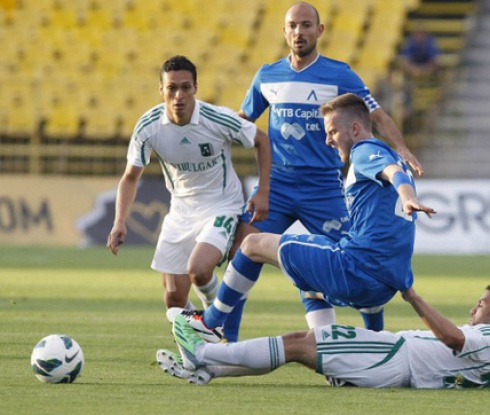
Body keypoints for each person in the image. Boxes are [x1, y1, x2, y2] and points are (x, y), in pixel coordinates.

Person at [221, 1, 424, 338]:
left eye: (306, 25)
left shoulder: (340, 75)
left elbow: (376, 116)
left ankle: (374, 338)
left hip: (325, 190)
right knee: (245, 249)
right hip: (277, 187)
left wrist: (400, 148)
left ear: (320, 30)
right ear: (284, 31)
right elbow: (242, 125)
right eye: (292, 25)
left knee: (358, 262)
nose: (299, 32)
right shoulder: (267, 75)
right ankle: (224, 338)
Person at [169, 92, 435, 344]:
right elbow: (394, 173)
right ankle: (353, 352)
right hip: (387, 283)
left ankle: (211, 323)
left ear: (355, 129)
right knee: (307, 278)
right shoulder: (388, 156)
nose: (328, 140)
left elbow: (392, 173)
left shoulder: (364, 150)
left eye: (332, 132)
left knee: (252, 244)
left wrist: (408, 196)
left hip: (356, 272)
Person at [107, 55, 271, 315]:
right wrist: (119, 221)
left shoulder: (216, 119)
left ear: (195, 87)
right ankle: (198, 350)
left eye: (185, 87)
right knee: (173, 298)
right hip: (181, 212)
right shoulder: (148, 127)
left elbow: (262, 140)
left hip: (222, 207)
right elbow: (129, 177)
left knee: (199, 270)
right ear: (161, 89)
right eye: (171, 88)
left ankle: (216, 322)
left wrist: (263, 191)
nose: (178, 95)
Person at [158, 284, 490, 388]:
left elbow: (455, 341)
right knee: (297, 351)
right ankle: (209, 370)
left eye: (485, 300)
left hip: (394, 356)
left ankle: (202, 352)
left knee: (299, 342)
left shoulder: (486, 335)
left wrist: (413, 296)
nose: (478, 303)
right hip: (398, 366)